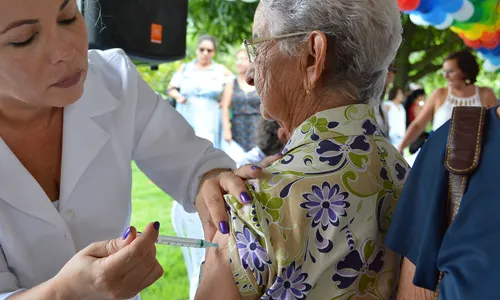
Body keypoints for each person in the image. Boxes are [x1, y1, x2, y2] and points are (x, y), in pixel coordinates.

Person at [0, 1, 264, 299]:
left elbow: (192, 165)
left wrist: (212, 181)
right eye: (24, 39)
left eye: (67, 17)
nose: (66, 51)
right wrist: (65, 292)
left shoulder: (113, 79)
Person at [195, 0, 409, 299]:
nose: (249, 74)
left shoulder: (257, 208)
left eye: (258, 46)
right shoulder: (409, 178)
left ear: (312, 57)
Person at [385, 103, 500, 299]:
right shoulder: (456, 140)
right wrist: (400, 146)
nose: (448, 75)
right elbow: (416, 290)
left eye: (451, 71)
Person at [397, 51, 497, 153]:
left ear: (465, 71)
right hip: (440, 154)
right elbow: (418, 125)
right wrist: (400, 147)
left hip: (477, 156)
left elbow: (496, 126)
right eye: (444, 72)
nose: (445, 76)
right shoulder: (439, 94)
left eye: (450, 71)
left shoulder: (485, 94)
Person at [168, 35, 234, 149]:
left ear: (213, 53)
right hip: (186, 115)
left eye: (209, 50)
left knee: (206, 151)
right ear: (197, 50)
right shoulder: (185, 68)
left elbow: (233, 79)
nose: (205, 53)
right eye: (202, 49)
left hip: (210, 119)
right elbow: (171, 88)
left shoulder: (220, 70)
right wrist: (178, 96)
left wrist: (224, 100)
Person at [229, 49, 262, 152]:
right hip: (237, 125)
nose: (240, 62)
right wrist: (226, 130)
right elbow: (225, 107)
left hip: (258, 124)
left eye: (243, 59)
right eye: (237, 59)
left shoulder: (260, 81)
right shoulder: (231, 82)